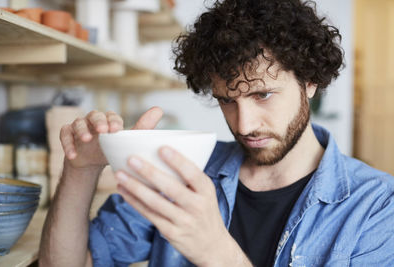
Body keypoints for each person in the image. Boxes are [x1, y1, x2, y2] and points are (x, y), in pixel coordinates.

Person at [39, 0, 394, 266]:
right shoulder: (184, 170)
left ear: (310, 81)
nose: (244, 125)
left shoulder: (376, 205)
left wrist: (216, 253)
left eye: (262, 95)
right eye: (227, 100)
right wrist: (80, 169)